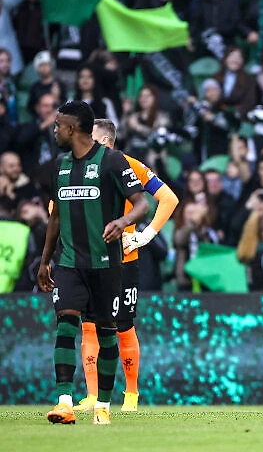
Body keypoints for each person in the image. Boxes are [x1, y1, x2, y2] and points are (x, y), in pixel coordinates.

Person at [37, 101, 150, 426]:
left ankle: (102, 405)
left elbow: (143, 203)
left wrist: (123, 221)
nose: (54, 131)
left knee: (107, 332)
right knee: (65, 324)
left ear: (72, 129)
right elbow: (55, 218)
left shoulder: (112, 161)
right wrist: (44, 261)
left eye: (58, 125)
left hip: (105, 264)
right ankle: (64, 403)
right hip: (69, 262)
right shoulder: (59, 166)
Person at [73, 119, 179, 413]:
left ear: (105, 142)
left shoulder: (129, 165)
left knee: (123, 325)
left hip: (123, 260)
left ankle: (131, 394)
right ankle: (92, 396)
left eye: (90, 139)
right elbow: (56, 205)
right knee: (89, 326)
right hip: (89, 259)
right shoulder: (77, 168)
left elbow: (169, 198)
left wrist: (145, 236)